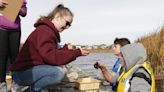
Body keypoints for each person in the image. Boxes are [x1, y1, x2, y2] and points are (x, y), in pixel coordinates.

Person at [9, 4, 89, 92]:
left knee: (60, 69)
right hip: (21, 74)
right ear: (57, 17)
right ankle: (31, 89)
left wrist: (66, 49)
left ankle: (30, 88)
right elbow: (50, 57)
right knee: (58, 73)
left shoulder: (48, 30)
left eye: (69, 25)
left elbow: (50, 53)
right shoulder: (45, 31)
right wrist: (77, 52)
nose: (67, 27)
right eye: (67, 23)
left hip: (26, 72)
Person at [0, 0, 27, 91]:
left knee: (15, 57)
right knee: (2, 56)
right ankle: (1, 83)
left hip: (15, 30)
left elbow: (24, 12)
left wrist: (19, 10)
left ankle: (15, 82)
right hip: (1, 28)